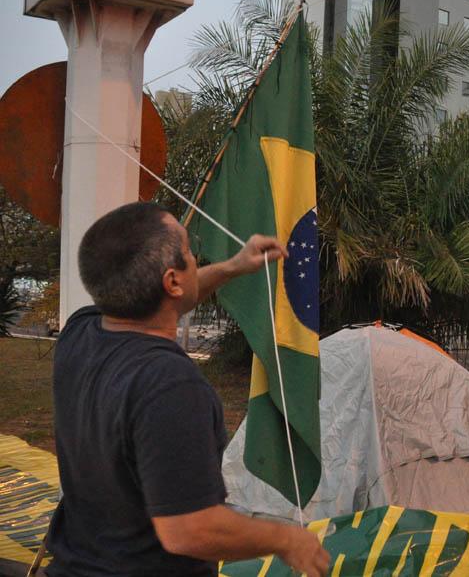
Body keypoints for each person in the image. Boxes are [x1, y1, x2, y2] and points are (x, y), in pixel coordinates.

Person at [47, 202, 330, 577]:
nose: (196, 259)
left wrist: (232, 267)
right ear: (172, 282)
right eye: (189, 252)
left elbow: (168, 293)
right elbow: (189, 530)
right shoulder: (169, 385)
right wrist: (287, 539)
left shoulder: (79, 332)